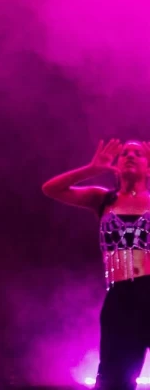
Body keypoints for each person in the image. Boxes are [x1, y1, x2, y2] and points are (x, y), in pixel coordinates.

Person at [42, 139, 150, 390]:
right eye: (125, 153)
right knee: (114, 380)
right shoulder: (103, 199)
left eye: (138, 153)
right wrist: (92, 169)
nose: (130, 156)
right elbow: (50, 189)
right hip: (119, 298)